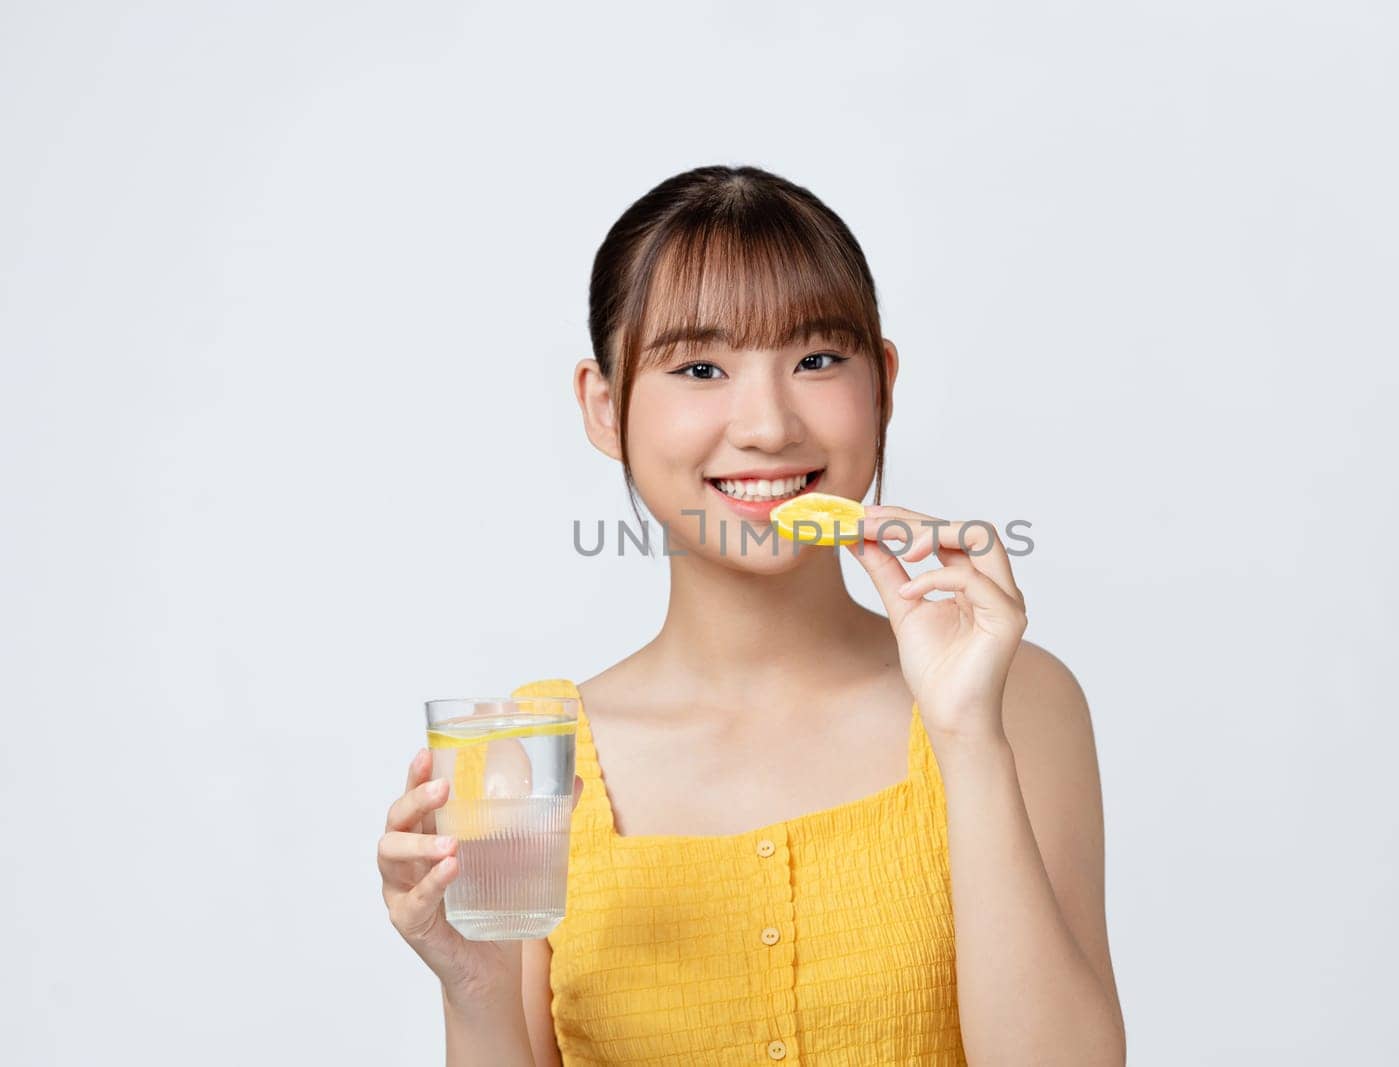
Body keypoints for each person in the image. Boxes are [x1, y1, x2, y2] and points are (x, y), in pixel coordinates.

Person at [377, 165, 1126, 1066]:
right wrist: (475, 988)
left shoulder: (1011, 698)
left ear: (882, 383)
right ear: (604, 407)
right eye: (700, 367)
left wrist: (967, 735)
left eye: (816, 360)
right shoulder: (534, 757)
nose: (768, 426)